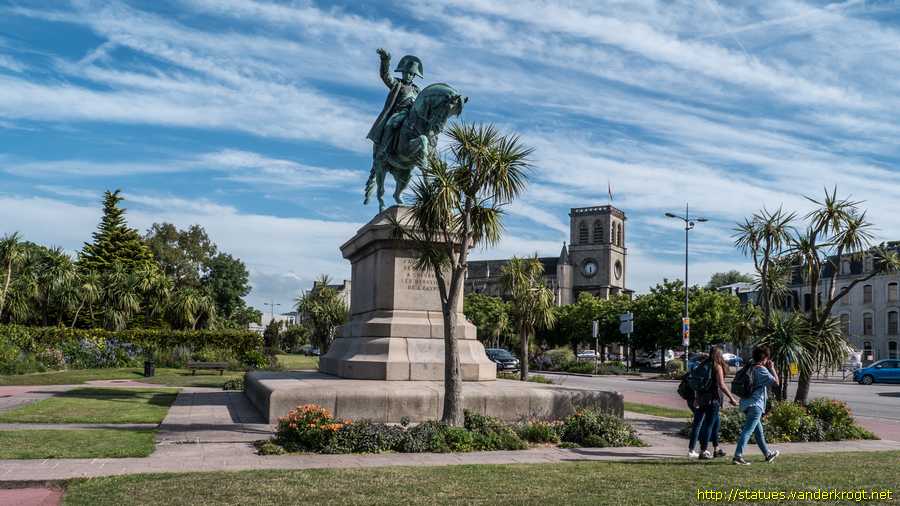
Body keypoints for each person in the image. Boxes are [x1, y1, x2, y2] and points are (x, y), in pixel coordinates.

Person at [733, 345, 780, 465]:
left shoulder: (750, 366)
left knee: (759, 432)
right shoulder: (761, 370)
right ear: (764, 358)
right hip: (755, 404)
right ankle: (738, 456)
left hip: (746, 403)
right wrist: (772, 368)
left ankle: (767, 454)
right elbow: (776, 382)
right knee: (748, 431)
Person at [696, 346, 739, 460]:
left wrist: (697, 398)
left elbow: (698, 383)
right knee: (709, 425)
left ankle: (716, 449)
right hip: (713, 399)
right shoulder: (717, 366)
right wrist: (732, 398)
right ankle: (703, 451)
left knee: (716, 424)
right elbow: (721, 385)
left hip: (703, 398)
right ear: (719, 355)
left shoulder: (704, 364)